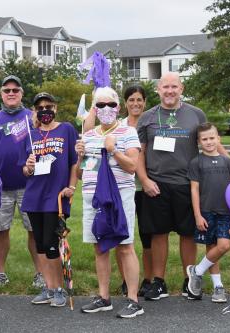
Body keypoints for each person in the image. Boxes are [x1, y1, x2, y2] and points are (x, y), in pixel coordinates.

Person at [136, 72, 230, 301]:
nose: (169, 91)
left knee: (187, 234)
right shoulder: (148, 117)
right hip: (156, 184)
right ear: (158, 90)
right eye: (165, 87)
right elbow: (139, 153)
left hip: (187, 184)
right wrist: (144, 180)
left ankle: (189, 281)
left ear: (181, 88)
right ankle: (159, 282)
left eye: (174, 86)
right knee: (158, 234)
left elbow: (212, 141)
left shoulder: (195, 114)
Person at [76, 87, 144, 318]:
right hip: (92, 197)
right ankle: (104, 297)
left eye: (111, 105)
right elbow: (79, 173)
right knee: (99, 247)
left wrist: (114, 150)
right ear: (95, 108)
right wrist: (78, 156)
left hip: (119, 196)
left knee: (125, 246)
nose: (106, 109)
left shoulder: (128, 132)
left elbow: (132, 167)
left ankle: (134, 300)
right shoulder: (87, 135)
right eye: (101, 105)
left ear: (118, 107)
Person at [0, 75, 43, 288]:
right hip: (0, 187)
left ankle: (40, 274)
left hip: (30, 185)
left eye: (15, 90)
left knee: (34, 230)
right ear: (1, 93)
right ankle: (0, 273)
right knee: (1, 230)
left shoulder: (32, 117)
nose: (11, 93)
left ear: (21, 93)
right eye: (7, 90)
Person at [21, 92, 79, 308]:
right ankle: (48, 286)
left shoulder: (67, 130)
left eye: (49, 106)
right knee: (41, 245)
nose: (45, 110)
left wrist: (72, 186)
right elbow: (24, 170)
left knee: (53, 245)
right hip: (35, 196)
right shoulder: (31, 134)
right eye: (40, 107)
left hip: (55, 198)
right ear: (35, 110)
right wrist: (28, 166)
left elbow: (74, 162)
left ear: (55, 108)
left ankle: (58, 289)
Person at [185, 123, 230, 302]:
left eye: (212, 138)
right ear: (199, 142)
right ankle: (218, 287)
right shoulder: (196, 162)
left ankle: (196, 271)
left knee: (224, 246)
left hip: (225, 212)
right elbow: (194, 190)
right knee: (212, 249)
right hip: (206, 212)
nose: (209, 142)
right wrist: (198, 215)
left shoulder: (227, 162)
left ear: (218, 139)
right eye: (204, 139)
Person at [122, 85, 154, 297]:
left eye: (139, 100)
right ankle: (126, 280)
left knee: (147, 235)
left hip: (145, 188)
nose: (135, 104)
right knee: (123, 236)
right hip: (123, 187)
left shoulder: (150, 124)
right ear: (125, 103)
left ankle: (148, 279)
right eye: (131, 100)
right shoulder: (119, 126)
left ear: (144, 102)